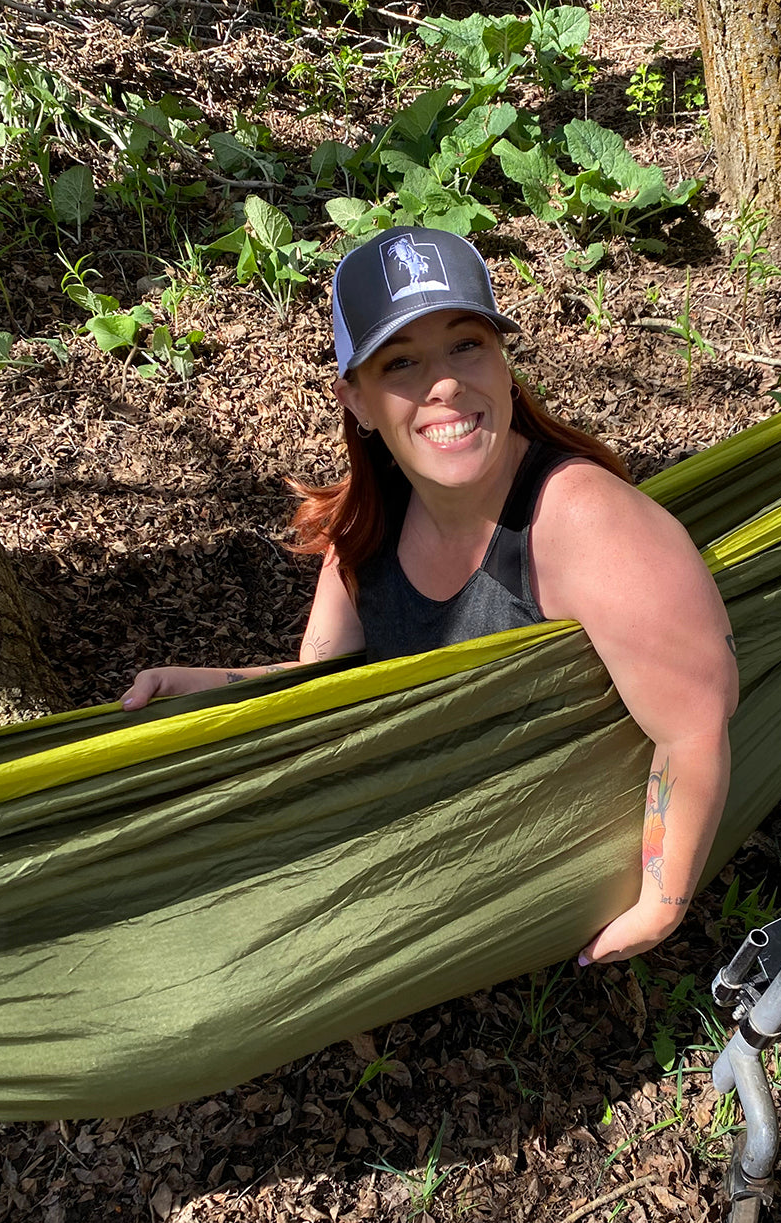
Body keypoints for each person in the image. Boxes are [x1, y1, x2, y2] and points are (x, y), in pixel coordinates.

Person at [121, 229, 738, 964]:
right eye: (402, 363)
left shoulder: (582, 522)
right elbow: (331, 691)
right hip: (419, 836)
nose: (444, 383)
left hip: (527, 851)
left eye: (466, 345)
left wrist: (659, 910)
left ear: (506, 369)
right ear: (357, 400)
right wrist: (202, 687)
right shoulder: (368, 527)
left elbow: (694, 724)